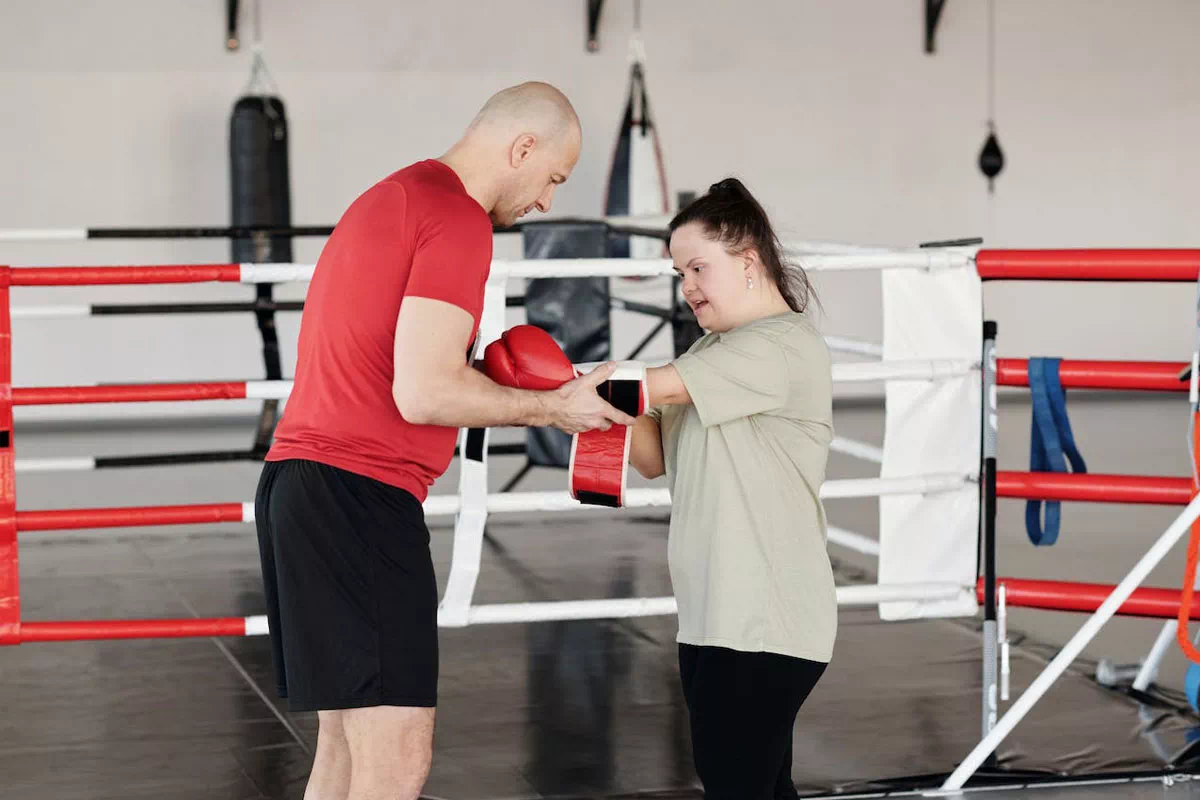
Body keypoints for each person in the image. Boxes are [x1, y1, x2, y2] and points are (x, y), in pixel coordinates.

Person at [254, 81, 636, 800]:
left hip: (301, 486)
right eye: (552, 177)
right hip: (355, 497)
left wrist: (479, 372)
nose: (547, 201)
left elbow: (401, 367)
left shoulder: (392, 196)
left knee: (344, 752)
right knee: (396, 761)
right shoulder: (457, 218)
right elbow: (423, 392)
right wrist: (554, 409)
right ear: (522, 148)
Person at [630, 178, 836, 799]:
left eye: (697, 267)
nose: (686, 286)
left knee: (736, 785)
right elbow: (649, 459)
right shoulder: (709, 350)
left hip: (763, 616)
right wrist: (601, 403)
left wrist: (564, 384)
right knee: (760, 786)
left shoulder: (781, 347)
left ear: (748, 261)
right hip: (713, 612)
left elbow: (647, 387)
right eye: (679, 272)